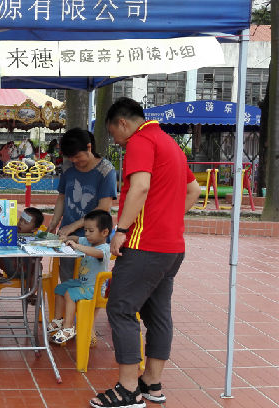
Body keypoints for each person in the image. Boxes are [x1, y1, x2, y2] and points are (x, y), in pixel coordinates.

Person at [89, 97, 199, 408]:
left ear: (122, 123)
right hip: (171, 247)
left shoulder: (140, 141)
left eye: (114, 134)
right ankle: (151, 382)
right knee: (157, 313)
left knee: (121, 309)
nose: (117, 142)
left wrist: (121, 230)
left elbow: (139, 187)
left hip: (144, 246)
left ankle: (127, 390)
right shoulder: (170, 144)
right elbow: (194, 190)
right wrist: (168, 219)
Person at [48, 127, 117, 284]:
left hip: (94, 238)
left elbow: (103, 208)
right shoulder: (68, 168)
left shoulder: (106, 171)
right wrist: (53, 223)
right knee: (67, 281)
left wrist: (73, 226)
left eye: (77, 157)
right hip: (67, 236)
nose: (74, 161)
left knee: (88, 282)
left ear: (89, 147)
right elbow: (62, 197)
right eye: (70, 158)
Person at [47, 210, 111, 345]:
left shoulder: (105, 248)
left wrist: (78, 246)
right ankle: (58, 320)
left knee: (70, 294)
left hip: (94, 289)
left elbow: (97, 253)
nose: (86, 234)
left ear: (104, 232)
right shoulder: (86, 241)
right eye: (85, 230)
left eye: (91, 231)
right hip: (82, 284)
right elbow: (77, 238)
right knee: (60, 288)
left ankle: (68, 327)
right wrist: (67, 238)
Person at [0, 207, 45, 303]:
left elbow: (40, 257)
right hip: (9, 267)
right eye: (20, 220)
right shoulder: (10, 232)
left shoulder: (35, 238)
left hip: (27, 271)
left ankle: (31, 293)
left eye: (25, 223)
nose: (21, 223)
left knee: (38, 266)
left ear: (34, 229)